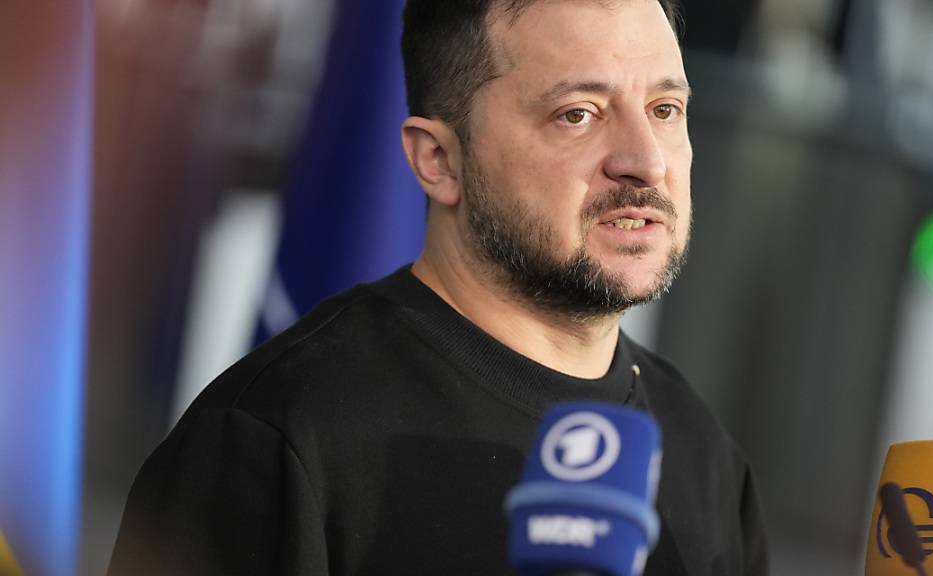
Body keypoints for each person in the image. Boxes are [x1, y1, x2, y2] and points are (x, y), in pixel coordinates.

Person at [108, 0, 770, 574]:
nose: (645, 159)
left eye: (664, 108)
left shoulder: (704, 454)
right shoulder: (275, 438)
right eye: (578, 113)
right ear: (438, 160)